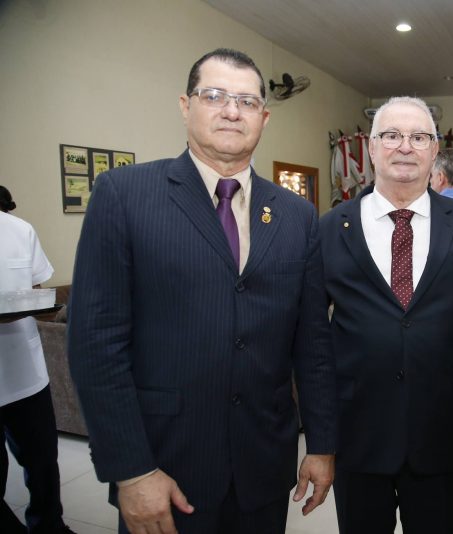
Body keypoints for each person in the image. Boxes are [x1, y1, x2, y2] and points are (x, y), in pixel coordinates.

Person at [68, 48, 336, 534]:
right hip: (165, 463)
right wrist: (131, 469)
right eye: (214, 96)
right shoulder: (124, 195)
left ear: (264, 116)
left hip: (264, 465)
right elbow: (96, 346)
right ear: (185, 106)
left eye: (247, 101)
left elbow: (312, 343)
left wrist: (320, 444)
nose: (231, 110)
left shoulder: (296, 216)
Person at [320, 96, 453, 534]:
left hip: (443, 433)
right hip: (358, 434)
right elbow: (313, 337)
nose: (405, 147)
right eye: (391, 135)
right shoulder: (331, 228)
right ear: (372, 148)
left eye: (418, 137)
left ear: (435, 150)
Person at [0, 186, 74, 533]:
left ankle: (49, 526)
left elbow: (36, 290)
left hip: (26, 375)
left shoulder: (19, 230)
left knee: (43, 462)